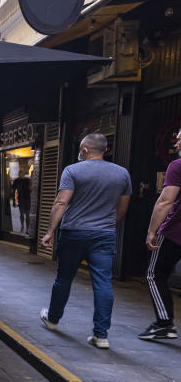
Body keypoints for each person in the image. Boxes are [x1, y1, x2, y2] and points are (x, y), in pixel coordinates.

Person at [40, 133, 132, 349]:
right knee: (102, 282)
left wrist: (50, 231)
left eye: (81, 149)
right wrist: (107, 223)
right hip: (104, 234)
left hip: (74, 233)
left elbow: (61, 202)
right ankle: (101, 335)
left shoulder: (72, 170)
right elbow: (123, 208)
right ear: (105, 150)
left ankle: (53, 320)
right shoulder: (122, 174)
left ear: (85, 150)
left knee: (64, 278)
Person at [140, 128, 181, 341]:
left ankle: (164, 324)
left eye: (180, 141)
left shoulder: (177, 165)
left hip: (175, 232)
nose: (176, 145)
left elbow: (165, 201)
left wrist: (152, 231)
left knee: (154, 274)